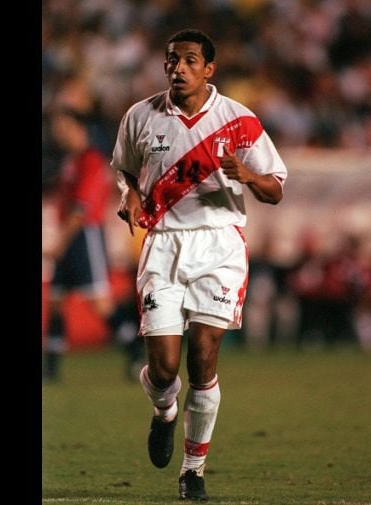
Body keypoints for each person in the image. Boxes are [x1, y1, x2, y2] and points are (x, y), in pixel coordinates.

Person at [111, 28, 287, 501]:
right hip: (163, 243)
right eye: (172, 59)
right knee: (165, 369)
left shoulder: (239, 120)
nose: (179, 68)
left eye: (190, 60)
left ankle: (193, 469)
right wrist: (128, 197)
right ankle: (164, 410)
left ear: (209, 68)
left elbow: (275, 189)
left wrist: (248, 176)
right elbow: (126, 170)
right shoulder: (140, 116)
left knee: (203, 357)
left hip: (219, 247)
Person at [42, 104, 114, 382]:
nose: (60, 134)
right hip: (68, 235)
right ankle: (51, 367)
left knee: (100, 303)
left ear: (80, 129)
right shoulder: (69, 162)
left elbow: (81, 209)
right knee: (56, 301)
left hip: (85, 236)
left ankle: (135, 351)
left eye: (65, 129)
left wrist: (60, 242)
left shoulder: (91, 161)